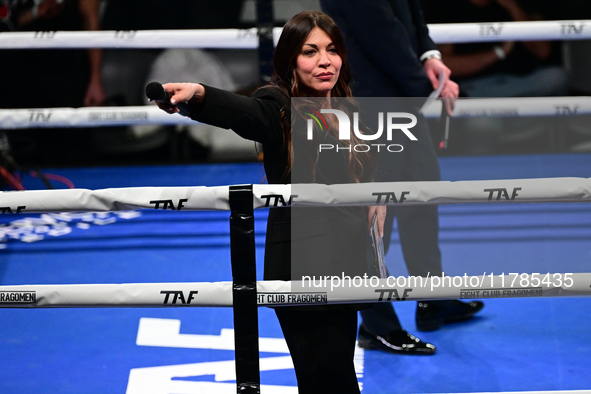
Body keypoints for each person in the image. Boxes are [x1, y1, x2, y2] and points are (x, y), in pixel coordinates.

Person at [155, 11, 385, 394]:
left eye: (331, 50)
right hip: (303, 268)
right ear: (291, 59)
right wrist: (199, 94)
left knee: (332, 378)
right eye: (310, 52)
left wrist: (378, 194)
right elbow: (247, 114)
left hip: (348, 266)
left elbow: (362, 169)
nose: (324, 60)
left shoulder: (347, 107)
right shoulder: (279, 104)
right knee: (331, 382)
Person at [321, 0, 484, 355]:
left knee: (422, 196)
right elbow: (379, 29)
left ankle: (433, 297)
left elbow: (410, 10)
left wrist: (429, 56)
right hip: (369, 99)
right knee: (375, 218)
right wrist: (426, 88)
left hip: (399, 95)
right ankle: (377, 325)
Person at [421, 0, 569, 98]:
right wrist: (498, 53)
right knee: (480, 115)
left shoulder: (518, 5)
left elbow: (543, 51)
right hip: (476, 86)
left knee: (556, 77)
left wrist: (512, 7)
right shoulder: (447, 8)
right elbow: (447, 65)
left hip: (522, 81)